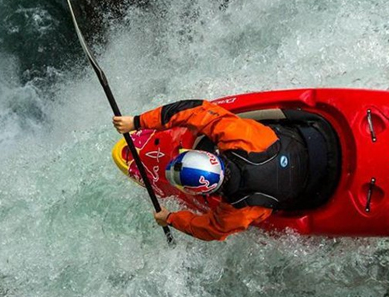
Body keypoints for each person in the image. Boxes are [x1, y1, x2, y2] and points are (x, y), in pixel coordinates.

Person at [113, 99, 321, 241]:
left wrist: (170, 219)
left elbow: (209, 229)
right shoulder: (238, 137)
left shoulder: (235, 212)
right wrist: (137, 121)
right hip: (313, 140)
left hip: (310, 189)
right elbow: (197, 109)